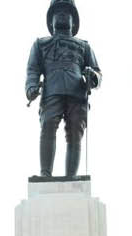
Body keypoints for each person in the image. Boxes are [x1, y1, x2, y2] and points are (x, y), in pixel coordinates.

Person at [25, 0, 101, 178]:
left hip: (77, 93)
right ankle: (45, 174)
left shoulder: (84, 46)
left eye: (66, 12)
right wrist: (31, 87)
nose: (61, 14)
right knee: (48, 126)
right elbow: (33, 70)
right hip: (52, 91)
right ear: (50, 21)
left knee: (75, 132)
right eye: (56, 12)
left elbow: (97, 72)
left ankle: (71, 177)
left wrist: (93, 77)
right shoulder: (41, 44)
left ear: (74, 21)